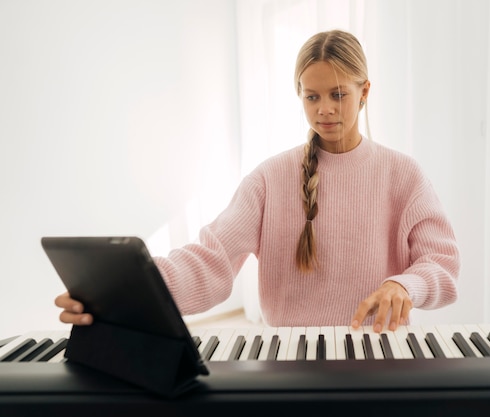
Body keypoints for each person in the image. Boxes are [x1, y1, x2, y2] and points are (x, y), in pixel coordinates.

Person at [55, 29, 460, 334]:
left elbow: (441, 263)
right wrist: (122, 292)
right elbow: (210, 259)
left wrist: (405, 285)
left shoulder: (403, 174)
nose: (325, 110)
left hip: (378, 354)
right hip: (290, 356)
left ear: (365, 92)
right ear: (298, 94)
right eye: (312, 96)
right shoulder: (270, 177)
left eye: (338, 95)